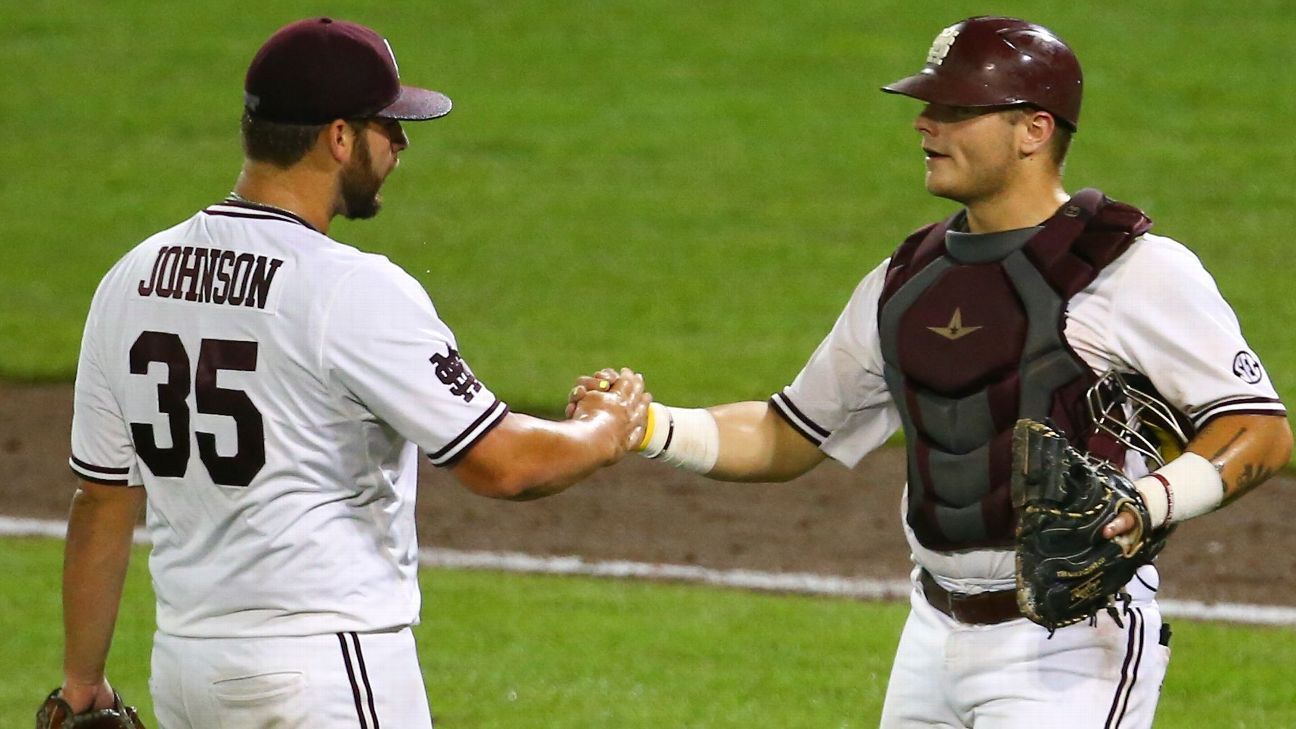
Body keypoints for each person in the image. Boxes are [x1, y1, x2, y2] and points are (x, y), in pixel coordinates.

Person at [573, 15, 1291, 728]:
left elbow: (1259, 430)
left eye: (955, 109)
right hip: (930, 631)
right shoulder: (907, 279)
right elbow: (786, 430)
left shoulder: (1135, 272)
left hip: (1071, 645)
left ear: (1033, 130)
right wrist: (649, 424)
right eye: (927, 106)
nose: (925, 124)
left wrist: (1151, 502)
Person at [60, 17, 647, 728]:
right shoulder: (350, 288)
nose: (400, 143)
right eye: (387, 125)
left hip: (187, 670)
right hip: (323, 670)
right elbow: (505, 464)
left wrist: (82, 680)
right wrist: (605, 428)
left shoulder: (132, 278)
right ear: (338, 137)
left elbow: (102, 497)